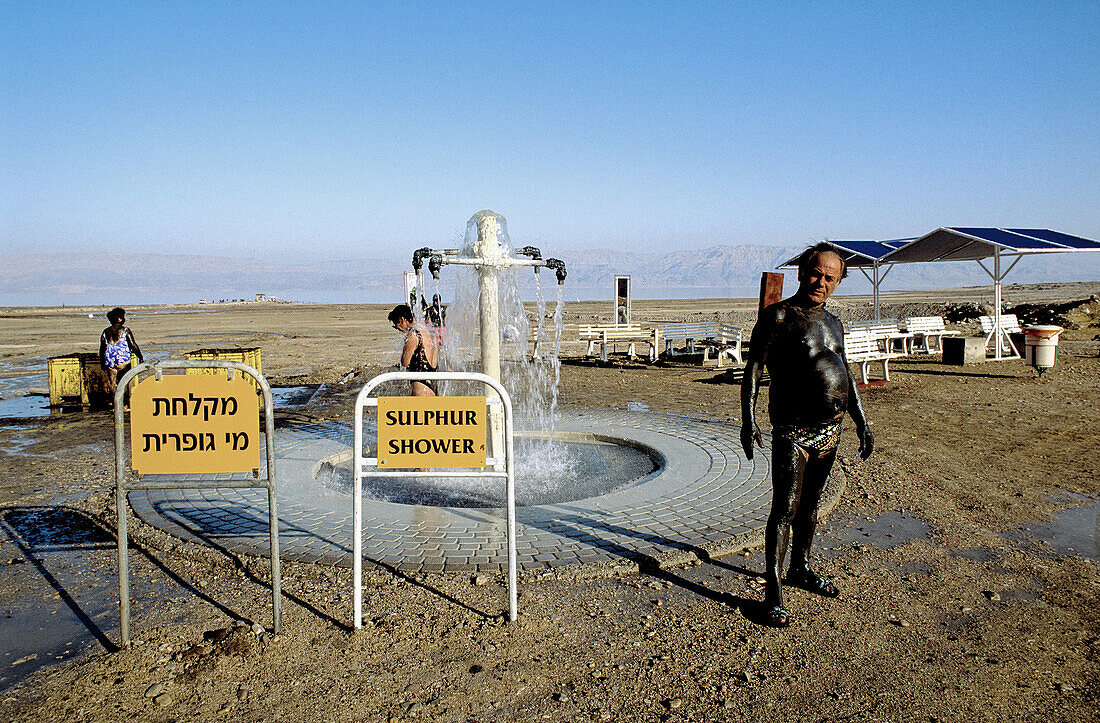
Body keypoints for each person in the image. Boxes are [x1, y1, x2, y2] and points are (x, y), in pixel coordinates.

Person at [740, 243, 873, 628]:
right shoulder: (778, 316)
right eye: (816, 273)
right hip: (792, 430)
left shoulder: (834, 322)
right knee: (784, 509)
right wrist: (748, 420)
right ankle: (774, 592)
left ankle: (800, 567)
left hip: (831, 430)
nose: (821, 282)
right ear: (801, 272)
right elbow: (755, 369)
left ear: (838, 282)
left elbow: (845, 372)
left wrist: (861, 420)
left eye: (830, 277)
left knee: (811, 508)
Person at [388, 304, 439, 397]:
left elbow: (405, 362)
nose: (397, 329)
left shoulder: (413, 334)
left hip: (420, 387)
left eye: (396, 325)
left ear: (402, 320)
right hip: (433, 385)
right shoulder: (428, 331)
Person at [99, 307, 144, 398]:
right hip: (122, 359)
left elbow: (102, 348)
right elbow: (133, 345)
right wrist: (140, 357)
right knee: (124, 382)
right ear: (120, 319)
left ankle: (115, 405)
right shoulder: (125, 330)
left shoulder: (105, 332)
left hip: (110, 359)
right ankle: (124, 405)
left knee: (113, 384)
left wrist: (102, 363)